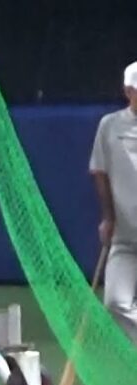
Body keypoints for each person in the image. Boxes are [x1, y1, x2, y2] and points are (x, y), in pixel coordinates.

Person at [90, 61, 137, 343]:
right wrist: (108, 217)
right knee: (116, 302)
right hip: (125, 236)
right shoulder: (109, 125)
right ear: (128, 90)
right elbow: (100, 171)